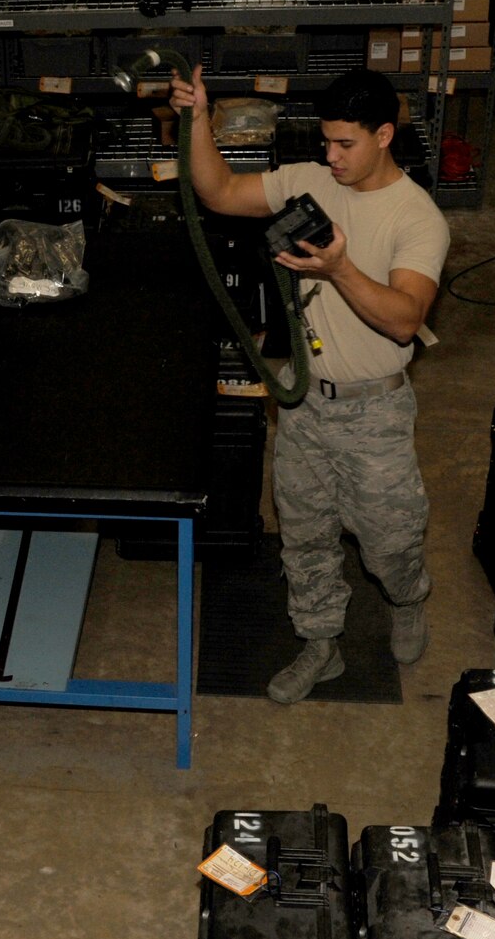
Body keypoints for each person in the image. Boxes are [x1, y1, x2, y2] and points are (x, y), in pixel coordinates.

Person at [169, 66, 451, 703]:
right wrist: (198, 121)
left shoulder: (418, 219)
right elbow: (218, 193)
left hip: (373, 413)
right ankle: (320, 643)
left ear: (385, 135)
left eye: (345, 144)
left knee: (390, 542)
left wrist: (339, 267)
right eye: (326, 142)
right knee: (303, 534)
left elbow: (406, 320)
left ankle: (409, 598)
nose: (332, 157)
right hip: (302, 404)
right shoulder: (310, 181)